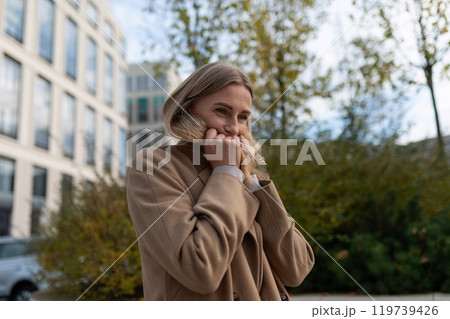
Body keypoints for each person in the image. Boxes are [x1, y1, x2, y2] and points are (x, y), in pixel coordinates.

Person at [127, 61, 314, 301]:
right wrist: (226, 173)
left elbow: (297, 269)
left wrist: (250, 179)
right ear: (187, 110)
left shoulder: (246, 176)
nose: (234, 128)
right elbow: (199, 269)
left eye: (243, 117)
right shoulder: (155, 166)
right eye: (221, 111)